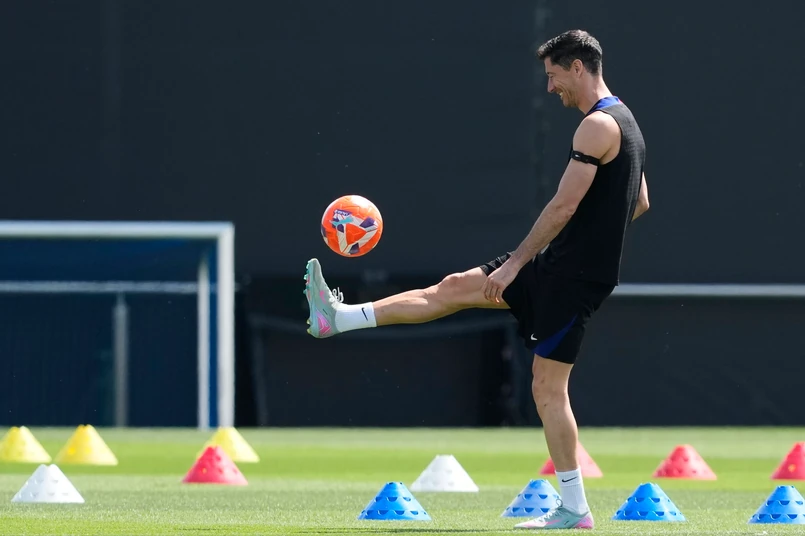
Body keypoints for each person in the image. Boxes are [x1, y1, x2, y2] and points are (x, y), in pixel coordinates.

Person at [303, 29, 649, 530]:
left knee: (548, 390)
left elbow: (563, 206)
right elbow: (639, 202)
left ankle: (576, 509)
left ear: (578, 67)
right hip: (559, 266)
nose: (550, 87)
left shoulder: (596, 127)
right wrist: (590, 238)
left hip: (570, 278)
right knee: (453, 289)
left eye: (553, 76)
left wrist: (516, 265)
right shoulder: (628, 122)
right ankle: (337, 317)